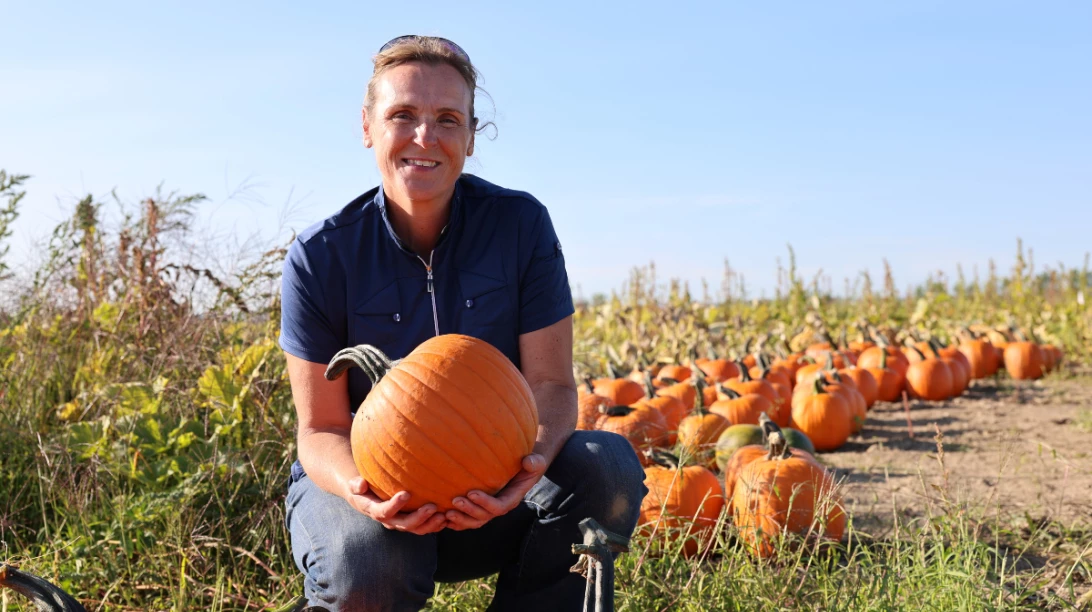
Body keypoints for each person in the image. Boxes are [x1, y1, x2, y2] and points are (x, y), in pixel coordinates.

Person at [278, 35, 648, 611]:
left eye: (447, 119)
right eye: (402, 115)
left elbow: (551, 386)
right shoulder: (320, 257)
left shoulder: (519, 226)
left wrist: (528, 473)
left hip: (500, 489)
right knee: (366, 563)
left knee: (608, 470)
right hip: (377, 500)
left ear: (471, 137)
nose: (424, 137)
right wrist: (366, 494)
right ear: (368, 126)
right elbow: (320, 429)